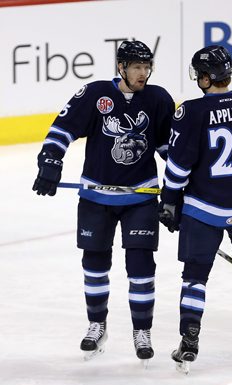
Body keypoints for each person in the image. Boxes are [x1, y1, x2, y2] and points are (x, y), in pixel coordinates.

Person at [32, 40, 175, 361]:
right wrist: (50, 162)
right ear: (121, 67)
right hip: (96, 196)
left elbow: (170, 149)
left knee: (140, 266)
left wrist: (181, 186)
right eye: (137, 67)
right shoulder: (96, 94)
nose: (143, 73)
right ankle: (97, 325)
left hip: (141, 196)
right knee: (94, 264)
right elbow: (62, 129)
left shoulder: (158, 98)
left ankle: (142, 330)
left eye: (147, 67)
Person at [158, 45, 232, 371]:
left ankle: (190, 338)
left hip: (204, 210)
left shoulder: (191, 111)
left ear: (207, 78)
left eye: (199, 74)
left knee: (194, 276)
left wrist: (169, 199)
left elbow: (179, 166)